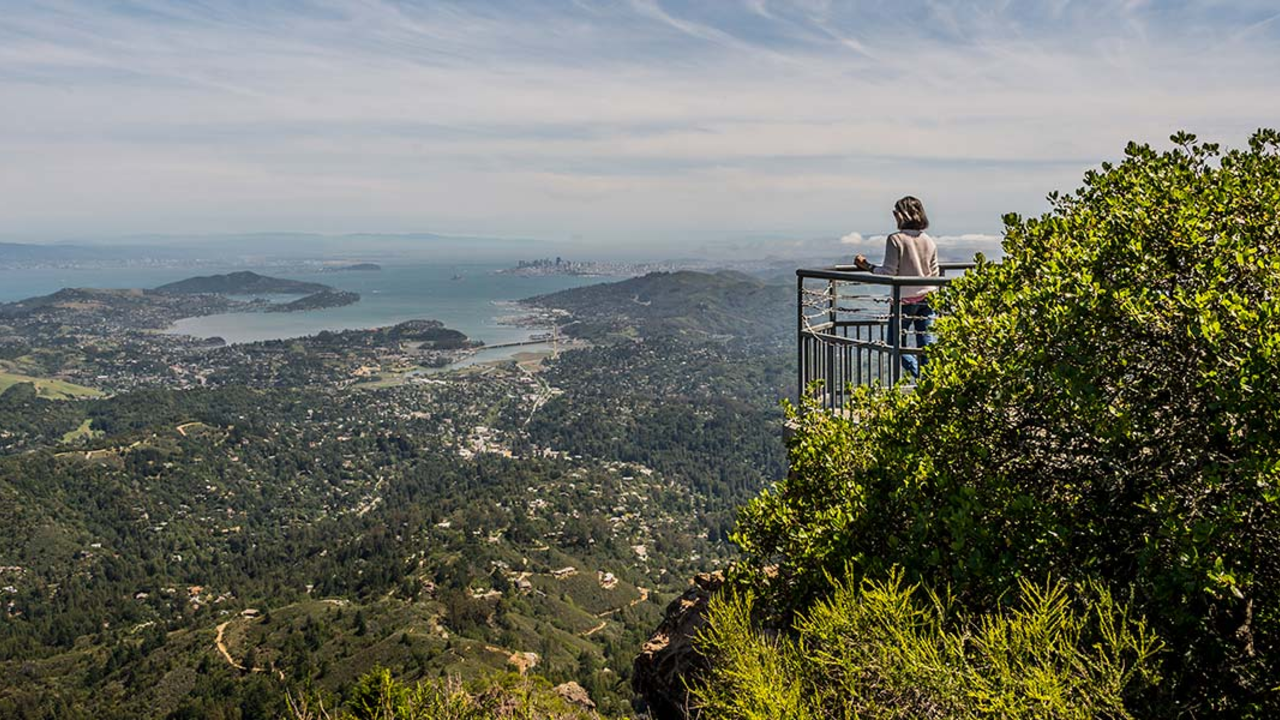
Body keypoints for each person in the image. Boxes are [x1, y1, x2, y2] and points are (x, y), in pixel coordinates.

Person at [853, 196, 939, 379]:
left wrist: (866, 266)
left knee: (895, 344)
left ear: (901, 215)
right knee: (927, 345)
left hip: (904, 300)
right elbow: (934, 274)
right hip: (929, 298)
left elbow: (887, 273)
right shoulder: (929, 240)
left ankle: (921, 379)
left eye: (895, 212)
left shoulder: (896, 240)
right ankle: (932, 384)